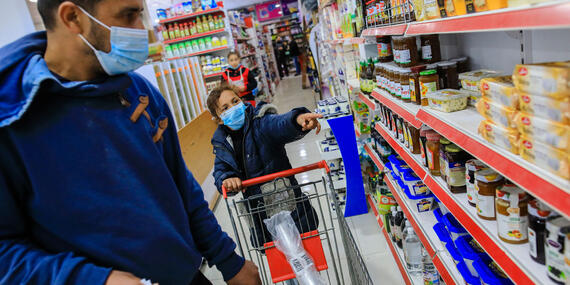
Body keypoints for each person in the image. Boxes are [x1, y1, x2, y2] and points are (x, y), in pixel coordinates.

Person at [0, 0, 260, 284]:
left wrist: (227, 259)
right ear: (73, 17)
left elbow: (179, 183)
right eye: (129, 15)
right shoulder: (12, 119)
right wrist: (95, 279)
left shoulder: (139, 93)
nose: (141, 30)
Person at [207, 84, 322, 248]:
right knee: (281, 267)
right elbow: (220, 171)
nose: (233, 108)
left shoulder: (260, 122)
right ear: (218, 119)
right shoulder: (223, 144)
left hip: (289, 207)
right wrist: (227, 179)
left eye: (235, 101)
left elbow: (279, 124)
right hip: (261, 217)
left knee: (310, 256)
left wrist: (297, 120)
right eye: (225, 108)